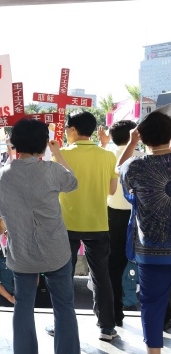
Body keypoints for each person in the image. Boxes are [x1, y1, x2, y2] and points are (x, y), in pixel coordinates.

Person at [0, 118, 82, 354]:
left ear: (15, 144)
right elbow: (73, 182)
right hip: (56, 250)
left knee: (23, 304)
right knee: (64, 304)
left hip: (22, 251)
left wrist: (5, 216)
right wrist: (59, 154)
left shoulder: (3, 174)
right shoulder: (52, 170)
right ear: (43, 146)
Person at [50, 111, 118, 341]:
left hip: (66, 224)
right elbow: (111, 191)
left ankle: (62, 324)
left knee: (63, 276)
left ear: (72, 129)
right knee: (101, 276)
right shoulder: (107, 156)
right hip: (98, 223)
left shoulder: (60, 155)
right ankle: (107, 327)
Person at [118, 111, 171, 354]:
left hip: (151, 251)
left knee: (152, 304)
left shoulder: (135, 167)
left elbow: (119, 169)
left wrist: (130, 143)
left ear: (143, 137)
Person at [98, 120, 144, 325]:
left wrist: (103, 143)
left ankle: (115, 314)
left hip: (113, 216)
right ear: (136, 135)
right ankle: (163, 318)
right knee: (150, 266)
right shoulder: (143, 157)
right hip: (140, 216)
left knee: (113, 268)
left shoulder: (106, 155)